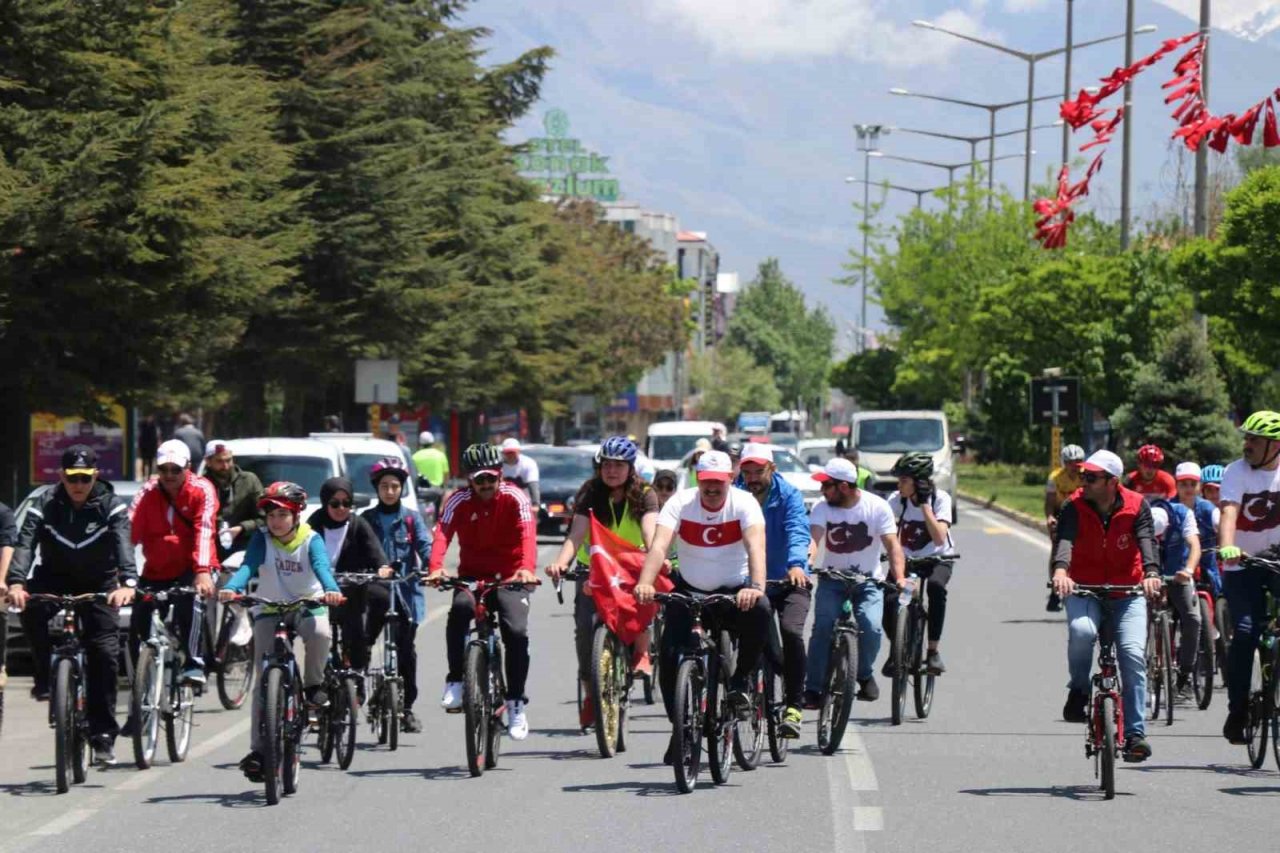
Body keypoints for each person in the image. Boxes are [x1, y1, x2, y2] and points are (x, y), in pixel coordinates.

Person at [634, 450, 771, 762]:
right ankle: (680, 728)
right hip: (690, 590)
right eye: (706, 482)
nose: (712, 489)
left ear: (730, 480)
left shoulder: (744, 503)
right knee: (669, 658)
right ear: (698, 480)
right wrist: (645, 581)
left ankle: (739, 685)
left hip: (735, 592)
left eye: (718, 483)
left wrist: (756, 587)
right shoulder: (681, 503)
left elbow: (755, 546)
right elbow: (659, 545)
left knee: (762, 611)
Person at [5, 445, 137, 765]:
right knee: (29, 608)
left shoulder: (111, 504)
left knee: (104, 653)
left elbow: (123, 543)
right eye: (72, 478)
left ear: (94, 476)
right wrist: (17, 582)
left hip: (100, 586)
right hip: (53, 579)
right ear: (62, 476)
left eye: (85, 478)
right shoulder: (45, 503)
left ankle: (103, 734)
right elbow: (25, 542)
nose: (78, 485)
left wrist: (127, 583)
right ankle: (43, 677)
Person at [220, 482, 342, 781]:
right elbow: (249, 566)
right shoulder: (262, 538)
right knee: (263, 683)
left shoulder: (310, 538)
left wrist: (331, 590)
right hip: (269, 606)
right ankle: (259, 752)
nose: (275, 521)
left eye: (282, 515)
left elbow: (322, 566)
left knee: (321, 632)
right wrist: (232, 587)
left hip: (307, 603)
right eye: (271, 514)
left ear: (296, 514)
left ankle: (313, 686)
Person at [1050, 449, 1161, 763]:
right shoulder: (1074, 504)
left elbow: (1147, 541)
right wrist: (1060, 571)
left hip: (1128, 591)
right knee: (1081, 631)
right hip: (1084, 588)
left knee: (1132, 654)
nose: (1084, 481)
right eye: (1083, 475)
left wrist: (1151, 574)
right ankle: (1080, 688)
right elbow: (1065, 540)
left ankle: (1136, 734)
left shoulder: (1138, 505)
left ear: (1112, 481)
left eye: (1091, 477)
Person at [545, 436, 659, 729]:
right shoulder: (589, 492)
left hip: (631, 565)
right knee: (585, 631)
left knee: (641, 604)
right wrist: (561, 562)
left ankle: (641, 652)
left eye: (618, 466)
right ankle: (591, 694)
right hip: (593, 568)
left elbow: (650, 533)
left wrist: (653, 559)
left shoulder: (645, 493)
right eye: (606, 465)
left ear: (630, 468)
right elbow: (576, 534)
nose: (611, 471)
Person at [427, 444, 538, 741]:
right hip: (473, 576)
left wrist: (526, 568)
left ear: (500, 474)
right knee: (460, 610)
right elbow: (442, 532)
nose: (486, 485)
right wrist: (436, 567)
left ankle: (515, 702)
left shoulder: (516, 497)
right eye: (479, 479)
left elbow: (528, 533)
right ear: (469, 480)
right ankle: (456, 681)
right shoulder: (458, 500)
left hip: (512, 575)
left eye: (491, 478)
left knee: (515, 632)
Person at [803, 458, 905, 709]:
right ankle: (813, 688)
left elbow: (893, 546)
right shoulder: (822, 507)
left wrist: (900, 577)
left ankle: (863, 674)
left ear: (844, 487)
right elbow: (814, 540)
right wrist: (804, 566)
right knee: (823, 627)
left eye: (826, 485)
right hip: (832, 579)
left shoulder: (877, 507)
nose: (822, 490)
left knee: (871, 626)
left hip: (868, 581)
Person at [127, 440, 219, 686]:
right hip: (156, 569)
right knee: (139, 621)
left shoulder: (202, 490)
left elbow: (205, 530)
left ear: (188, 467)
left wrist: (202, 571)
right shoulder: (147, 492)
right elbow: (128, 532)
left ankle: (194, 663)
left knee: (191, 602)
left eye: (175, 470)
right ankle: (140, 681)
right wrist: (120, 573)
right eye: (163, 469)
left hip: (194, 566)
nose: (168, 475)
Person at [735, 443, 810, 738]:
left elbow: (797, 530)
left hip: (789, 578)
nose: (752, 477)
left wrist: (796, 564)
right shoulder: (734, 494)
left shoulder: (789, 495)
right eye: (747, 471)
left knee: (791, 633)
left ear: (772, 469)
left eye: (759, 471)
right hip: (751, 582)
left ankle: (794, 706)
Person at [1216, 411, 1280, 744]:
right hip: (1244, 563)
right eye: (1246, 438)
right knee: (1244, 632)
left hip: (1278, 560)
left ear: (1275, 445)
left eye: (1254, 439)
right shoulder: (1236, 472)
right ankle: (1238, 708)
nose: (1247, 444)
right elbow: (1229, 511)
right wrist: (1227, 547)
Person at [361, 457, 433, 732]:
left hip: (405, 592)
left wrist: (431, 568)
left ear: (402, 488)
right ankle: (355, 690)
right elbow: (355, 550)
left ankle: (406, 708)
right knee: (362, 642)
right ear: (376, 488)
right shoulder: (366, 520)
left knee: (406, 651)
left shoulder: (412, 519)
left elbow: (425, 547)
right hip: (373, 593)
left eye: (395, 486)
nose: (390, 491)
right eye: (384, 486)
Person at [306, 477, 391, 693]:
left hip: (352, 589)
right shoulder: (312, 525)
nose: (341, 508)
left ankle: (357, 676)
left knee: (357, 631)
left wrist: (382, 567)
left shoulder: (357, 524)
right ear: (325, 503)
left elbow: (375, 551)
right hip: (320, 590)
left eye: (346, 503)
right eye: (335, 503)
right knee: (317, 635)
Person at [883, 451, 955, 676]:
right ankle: (899, 649)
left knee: (935, 587)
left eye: (904, 480)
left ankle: (932, 651)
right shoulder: (896, 500)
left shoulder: (940, 498)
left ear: (919, 482)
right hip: (906, 559)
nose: (899, 484)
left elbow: (939, 538)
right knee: (888, 599)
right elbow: (886, 532)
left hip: (938, 557)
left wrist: (925, 506)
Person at [1147, 492, 1202, 701]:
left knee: (1193, 619)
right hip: (1149, 575)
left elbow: (1195, 545)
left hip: (1178, 574)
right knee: (1136, 617)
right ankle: (1142, 663)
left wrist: (1188, 570)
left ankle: (1185, 671)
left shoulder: (1182, 514)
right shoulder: (1140, 516)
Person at [203, 439, 264, 557]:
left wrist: (242, 528)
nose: (225, 466)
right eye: (219, 461)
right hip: (210, 548)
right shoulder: (201, 484)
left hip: (244, 548)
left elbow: (264, 517)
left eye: (228, 460)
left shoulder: (249, 481)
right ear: (208, 462)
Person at [1044, 444, 1086, 612]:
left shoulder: (1087, 476)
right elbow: (1049, 502)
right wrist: (1050, 517)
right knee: (1057, 550)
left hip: (1083, 513)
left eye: (1077, 462)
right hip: (1062, 513)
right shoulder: (1055, 477)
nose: (1074, 466)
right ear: (1064, 462)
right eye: (1069, 462)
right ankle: (1055, 591)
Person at [1175, 461, 1221, 598]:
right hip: (1177, 559)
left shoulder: (1207, 508)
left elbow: (1219, 524)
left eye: (1193, 484)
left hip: (1207, 559)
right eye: (1183, 484)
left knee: (1216, 585)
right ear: (1176, 485)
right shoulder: (1169, 506)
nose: (1188, 488)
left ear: (1199, 486)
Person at [500, 438, 541, 507]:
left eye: (513, 452)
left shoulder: (528, 463)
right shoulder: (498, 465)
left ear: (519, 451)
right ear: (503, 453)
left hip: (524, 501)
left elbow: (533, 485)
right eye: (508, 453)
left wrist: (535, 504)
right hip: (503, 502)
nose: (511, 455)